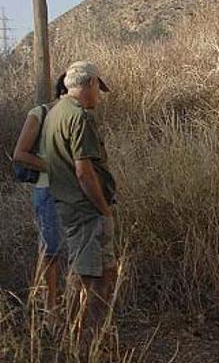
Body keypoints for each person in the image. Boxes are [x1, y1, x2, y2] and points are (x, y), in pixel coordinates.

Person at [42, 61, 115, 336]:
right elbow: (84, 172)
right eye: (98, 88)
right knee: (90, 277)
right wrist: (104, 209)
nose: (98, 95)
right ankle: (86, 339)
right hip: (86, 210)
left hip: (67, 205)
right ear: (91, 84)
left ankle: (81, 335)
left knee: (91, 271)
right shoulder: (80, 117)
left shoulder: (55, 112)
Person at [12, 74, 70, 310]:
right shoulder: (40, 114)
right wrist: (55, 166)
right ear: (65, 92)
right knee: (51, 250)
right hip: (47, 189)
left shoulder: (76, 118)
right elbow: (20, 154)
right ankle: (49, 309)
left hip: (72, 192)